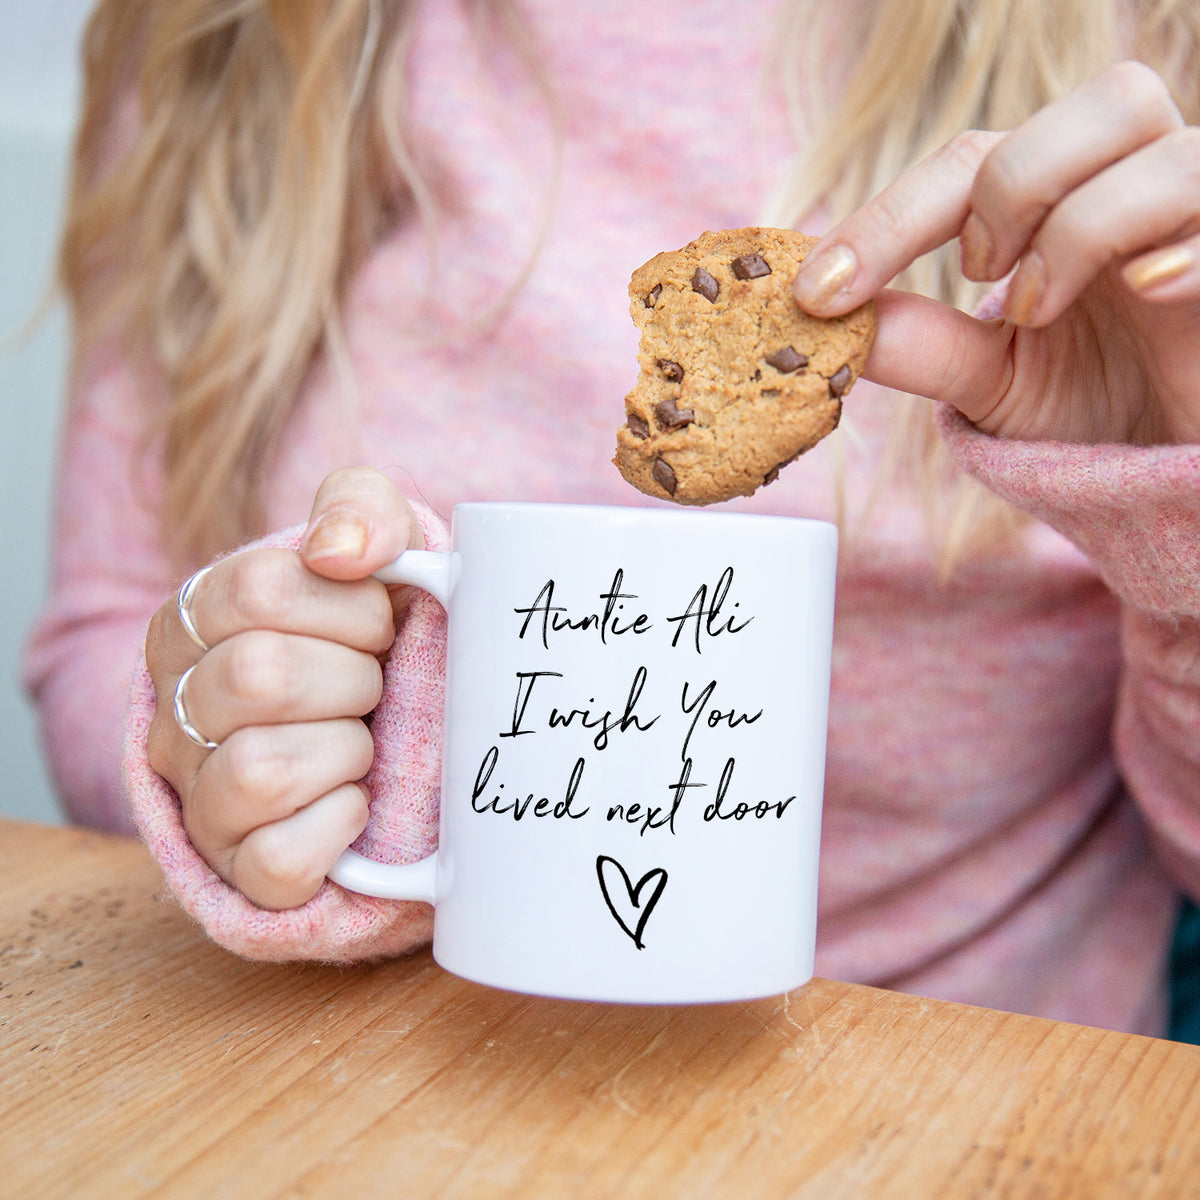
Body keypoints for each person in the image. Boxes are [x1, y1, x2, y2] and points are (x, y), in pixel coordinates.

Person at [24, 0, 1200, 1037]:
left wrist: (1171, 489)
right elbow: (105, 636)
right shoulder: (233, 32)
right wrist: (248, 743)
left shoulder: (1149, 67)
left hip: (976, 1095)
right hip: (360, 1069)